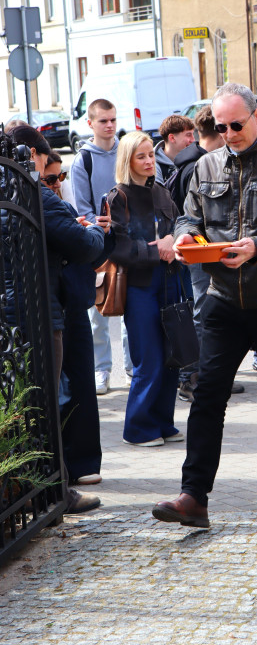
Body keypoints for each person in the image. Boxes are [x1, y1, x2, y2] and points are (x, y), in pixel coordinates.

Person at [152, 82, 257, 528]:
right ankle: (193, 497)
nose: (228, 132)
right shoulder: (205, 165)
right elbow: (190, 215)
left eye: (236, 124)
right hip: (222, 299)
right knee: (207, 396)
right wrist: (187, 235)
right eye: (220, 126)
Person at [11, 126, 108, 513]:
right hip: (38, 312)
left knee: (18, 405)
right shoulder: (33, 194)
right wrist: (92, 232)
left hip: (11, 314)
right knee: (42, 407)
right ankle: (53, 491)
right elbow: (85, 245)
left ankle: (22, 490)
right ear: (34, 155)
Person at [108, 131, 183, 447]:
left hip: (170, 280)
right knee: (148, 358)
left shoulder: (163, 192)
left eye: (151, 154)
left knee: (172, 355)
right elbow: (117, 248)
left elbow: (180, 225)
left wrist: (174, 242)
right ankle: (138, 428)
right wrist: (158, 248)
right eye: (141, 156)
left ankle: (163, 422)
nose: (149, 161)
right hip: (139, 286)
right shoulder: (117, 197)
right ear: (128, 160)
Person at [169, 105, 244, 402]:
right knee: (202, 312)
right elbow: (189, 215)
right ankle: (195, 377)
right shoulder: (198, 166)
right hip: (201, 252)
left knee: (203, 311)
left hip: (204, 251)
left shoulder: (190, 161)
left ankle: (205, 374)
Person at [43, 151, 109, 484]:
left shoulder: (57, 203)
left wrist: (92, 232)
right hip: (54, 305)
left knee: (79, 380)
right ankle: (66, 469)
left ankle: (82, 464)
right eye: (49, 178)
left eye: (60, 177)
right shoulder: (36, 201)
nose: (56, 185)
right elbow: (82, 246)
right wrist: (93, 232)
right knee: (61, 388)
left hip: (72, 301)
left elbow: (83, 246)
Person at [70, 98, 132, 395]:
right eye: (103, 121)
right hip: (98, 243)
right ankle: (102, 370)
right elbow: (82, 206)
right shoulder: (84, 159)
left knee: (132, 305)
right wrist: (99, 223)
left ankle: (134, 368)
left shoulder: (126, 151)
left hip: (130, 240)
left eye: (113, 120)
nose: (110, 126)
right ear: (90, 123)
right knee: (98, 308)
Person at [154, 115, 195, 184]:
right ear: (172, 138)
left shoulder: (194, 160)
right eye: (188, 135)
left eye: (192, 134)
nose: (193, 140)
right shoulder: (154, 165)